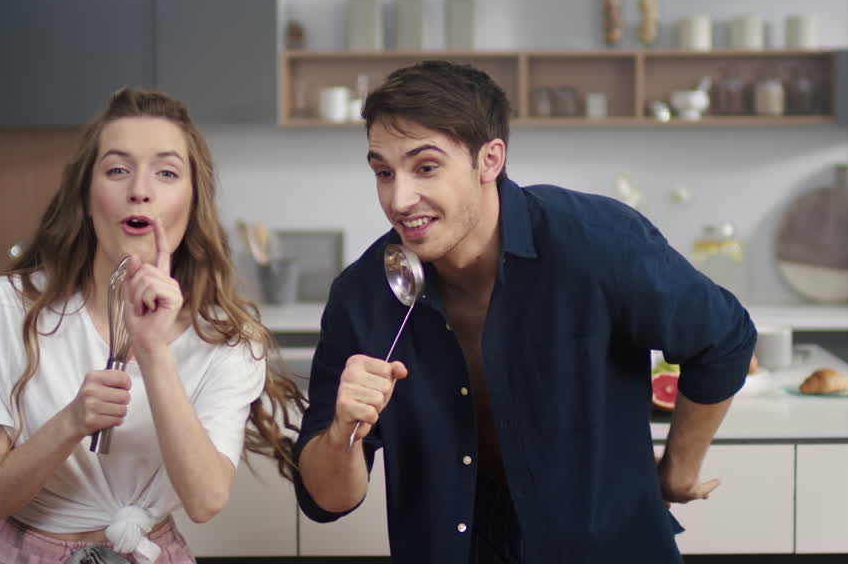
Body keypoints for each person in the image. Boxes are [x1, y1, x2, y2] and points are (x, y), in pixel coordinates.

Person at [292, 60, 756, 563]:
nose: (399, 199)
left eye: (426, 167)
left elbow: (724, 337)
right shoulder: (363, 296)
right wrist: (343, 433)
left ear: (489, 160)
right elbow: (327, 501)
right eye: (383, 172)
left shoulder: (595, 241)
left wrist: (680, 469)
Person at [0, 88, 303, 564]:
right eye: (117, 169)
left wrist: (153, 353)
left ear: (193, 202)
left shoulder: (228, 339)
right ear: (87, 197)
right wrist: (69, 423)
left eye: (167, 172)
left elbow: (206, 499)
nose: (140, 189)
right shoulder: (5, 307)